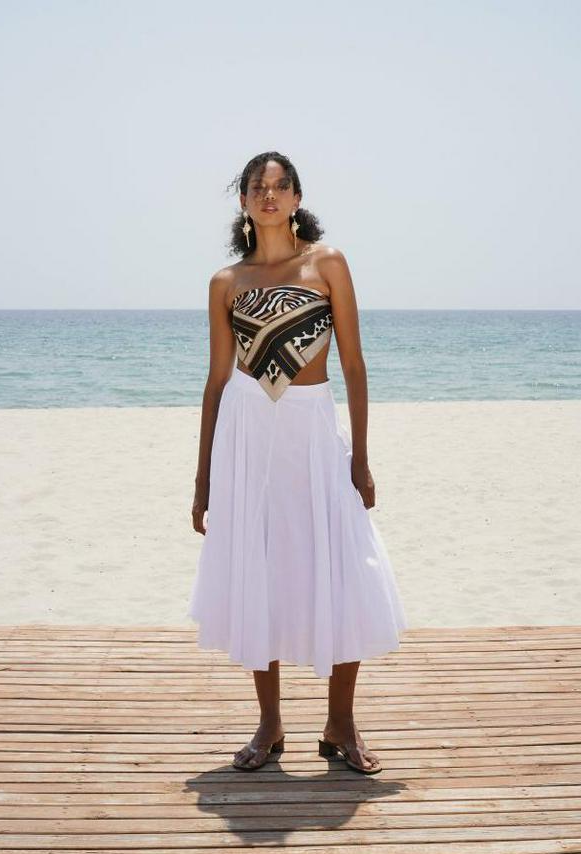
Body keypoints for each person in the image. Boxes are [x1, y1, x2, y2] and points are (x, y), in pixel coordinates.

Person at [189, 151, 407, 775]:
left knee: (343, 562)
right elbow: (217, 379)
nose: (270, 195)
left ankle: (341, 722)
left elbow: (354, 365)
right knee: (258, 565)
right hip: (248, 431)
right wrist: (203, 478)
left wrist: (361, 457)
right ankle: (270, 723)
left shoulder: (327, 263)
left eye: (281, 186)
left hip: (313, 426)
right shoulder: (227, 281)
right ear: (244, 201)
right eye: (259, 187)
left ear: (296, 198)